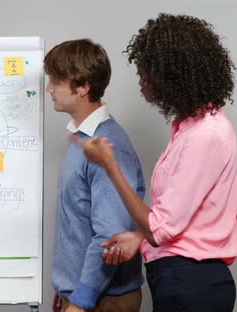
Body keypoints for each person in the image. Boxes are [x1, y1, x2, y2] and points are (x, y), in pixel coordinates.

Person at [72, 14, 237, 311]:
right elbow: (180, 220)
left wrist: (109, 166)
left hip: (191, 285)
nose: (140, 79)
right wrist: (140, 237)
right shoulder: (190, 127)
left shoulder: (204, 135)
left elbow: (160, 229)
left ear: (171, 75)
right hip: (184, 281)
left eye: (146, 71)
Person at [45, 39, 145, 312]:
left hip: (105, 300)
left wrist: (79, 301)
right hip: (84, 295)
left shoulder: (109, 145)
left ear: (83, 87)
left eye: (55, 80)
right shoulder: (84, 140)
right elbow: (77, 221)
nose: (48, 88)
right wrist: (67, 289)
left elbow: (109, 235)